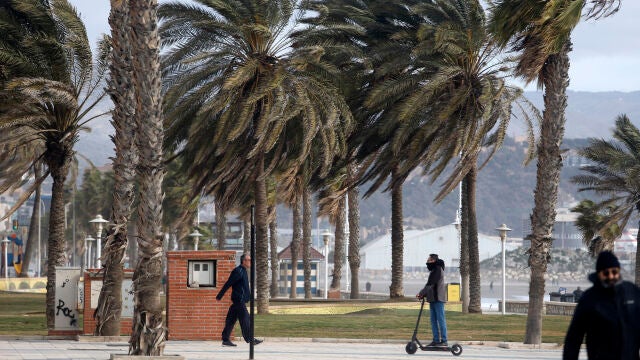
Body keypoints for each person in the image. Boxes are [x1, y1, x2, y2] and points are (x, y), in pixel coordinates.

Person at [563, 251, 640, 360]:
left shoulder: (632, 292)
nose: (611, 276)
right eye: (606, 273)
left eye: (614, 271)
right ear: (599, 274)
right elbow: (574, 338)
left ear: (619, 271)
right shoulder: (589, 298)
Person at [215, 253, 262, 347]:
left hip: (238, 301)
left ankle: (225, 340)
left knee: (231, 320)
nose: (250, 262)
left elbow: (243, 287)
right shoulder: (238, 271)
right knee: (246, 319)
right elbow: (228, 283)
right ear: (244, 261)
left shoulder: (243, 271)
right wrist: (220, 295)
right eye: (249, 260)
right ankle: (250, 339)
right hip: (238, 301)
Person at [417, 253, 448, 347]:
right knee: (433, 320)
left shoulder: (438, 269)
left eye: (428, 260)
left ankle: (444, 340)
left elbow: (431, 284)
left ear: (433, 260)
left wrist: (421, 293)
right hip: (433, 299)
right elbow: (430, 285)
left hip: (438, 298)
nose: (427, 262)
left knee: (440, 320)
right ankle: (436, 340)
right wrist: (423, 294)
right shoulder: (434, 269)